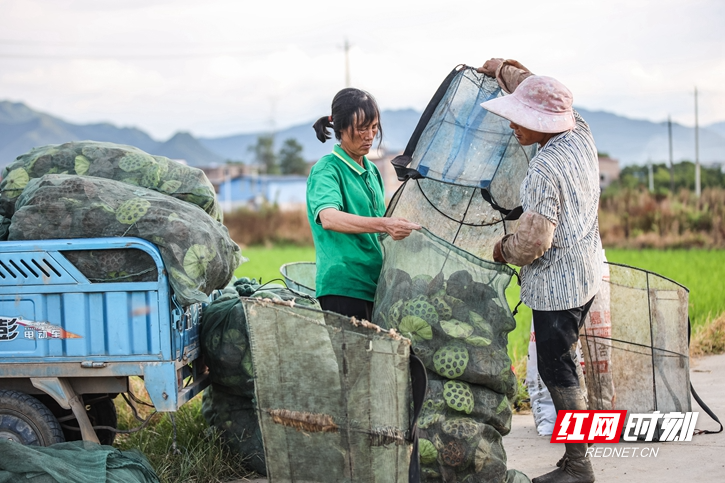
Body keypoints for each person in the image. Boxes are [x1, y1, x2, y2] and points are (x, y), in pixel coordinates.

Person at [479, 59, 603, 483]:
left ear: (544, 123)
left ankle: (579, 465)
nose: (514, 125)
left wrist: (500, 250)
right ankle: (575, 459)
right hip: (585, 275)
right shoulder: (581, 131)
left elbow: (534, 242)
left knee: (558, 370)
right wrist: (502, 69)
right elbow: (535, 85)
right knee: (564, 365)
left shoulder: (544, 169)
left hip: (559, 288)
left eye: (522, 119)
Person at [307, 87, 420, 320]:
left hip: (375, 286)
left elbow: (377, 227)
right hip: (345, 287)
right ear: (340, 129)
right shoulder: (327, 169)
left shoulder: (372, 171)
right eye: (361, 128)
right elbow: (328, 217)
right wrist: (384, 224)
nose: (369, 135)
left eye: (374, 127)